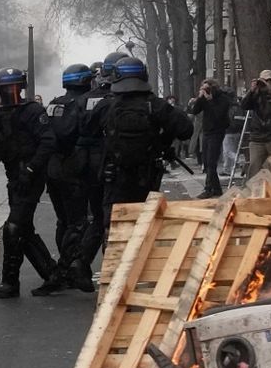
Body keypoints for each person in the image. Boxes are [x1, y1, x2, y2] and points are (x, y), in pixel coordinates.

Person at [0, 67, 57, 299]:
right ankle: (51, 273)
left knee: (13, 228)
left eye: (14, 88)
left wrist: (31, 168)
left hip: (31, 177)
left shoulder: (32, 111)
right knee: (24, 229)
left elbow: (48, 142)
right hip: (14, 177)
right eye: (6, 89)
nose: (10, 93)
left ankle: (10, 282)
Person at [90, 57, 192, 216]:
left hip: (114, 176)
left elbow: (87, 132)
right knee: (145, 222)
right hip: (146, 176)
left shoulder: (106, 106)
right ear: (144, 75)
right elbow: (186, 130)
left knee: (114, 225)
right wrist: (163, 141)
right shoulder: (156, 104)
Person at [36, 64, 96, 295]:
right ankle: (68, 269)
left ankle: (66, 266)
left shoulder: (53, 104)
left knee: (63, 221)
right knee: (78, 222)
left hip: (53, 169)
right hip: (75, 168)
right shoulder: (84, 105)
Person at [73, 53, 125, 278]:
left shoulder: (86, 100)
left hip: (91, 167)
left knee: (97, 216)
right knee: (119, 218)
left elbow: (78, 130)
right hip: (122, 165)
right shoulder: (124, 100)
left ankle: (80, 261)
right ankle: (112, 269)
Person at [189, 78, 232, 198]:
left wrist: (210, 101)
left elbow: (219, 115)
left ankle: (208, 188)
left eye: (207, 88)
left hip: (217, 132)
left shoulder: (222, 99)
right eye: (203, 88)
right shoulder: (204, 99)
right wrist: (200, 98)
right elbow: (195, 110)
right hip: (207, 131)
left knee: (211, 162)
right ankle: (217, 189)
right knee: (206, 161)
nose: (206, 91)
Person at [240, 70, 271, 181]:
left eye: (268, 81)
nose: (265, 83)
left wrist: (269, 91)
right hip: (257, 138)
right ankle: (252, 192)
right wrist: (252, 91)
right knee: (254, 166)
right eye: (263, 81)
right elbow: (244, 105)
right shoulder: (255, 97)